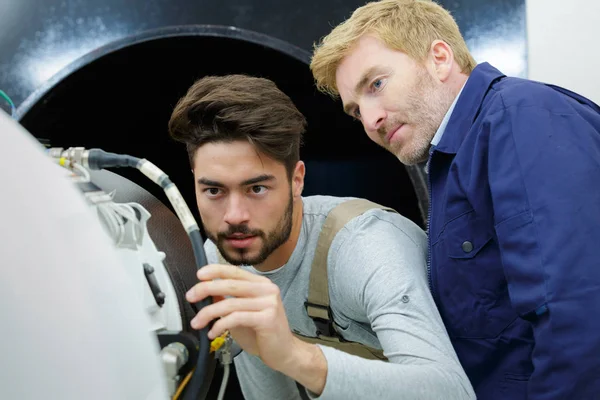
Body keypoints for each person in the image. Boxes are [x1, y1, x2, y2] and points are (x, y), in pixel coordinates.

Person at [309, 0, 600, 399]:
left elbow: (576, 310)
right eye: (356, 110)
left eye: (376, 84)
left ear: (439, 58)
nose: (371, 120)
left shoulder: (517, 117)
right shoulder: (450, 160)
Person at [167, 74, 474, 400]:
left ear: (297, 180)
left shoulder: (365, 247)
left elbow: (452, 392)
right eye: (213, 190)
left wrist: (295, 355)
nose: (234, 216)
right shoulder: (222, 257)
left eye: (256, 188)